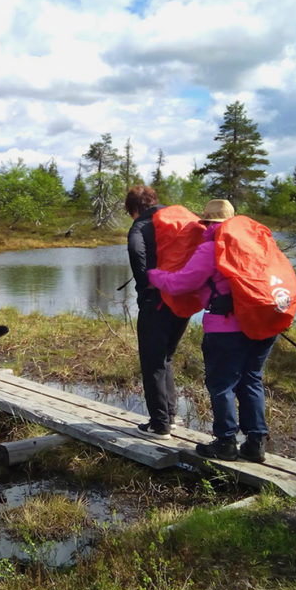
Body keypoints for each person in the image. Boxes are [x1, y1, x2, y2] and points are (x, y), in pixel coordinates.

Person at [148, 199, 276, 462]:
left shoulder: (214, 246)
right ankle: (256, 442)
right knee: (251, 380)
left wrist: (153, 276)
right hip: (263, 323)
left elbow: (182, 283)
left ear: (208, 224)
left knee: (222, 384)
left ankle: (226, 442)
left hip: (226, 327)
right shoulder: (254, 243)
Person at [125, 185, 189, 439]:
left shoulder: (141, 224)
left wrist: (144, 283)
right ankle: (170, 417)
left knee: (152, 363)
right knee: (166, 358)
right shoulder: (178, 218)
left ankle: (159, 424)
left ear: (135, 208)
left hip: (157, 301)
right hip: (184, 300)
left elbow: (134, 249)